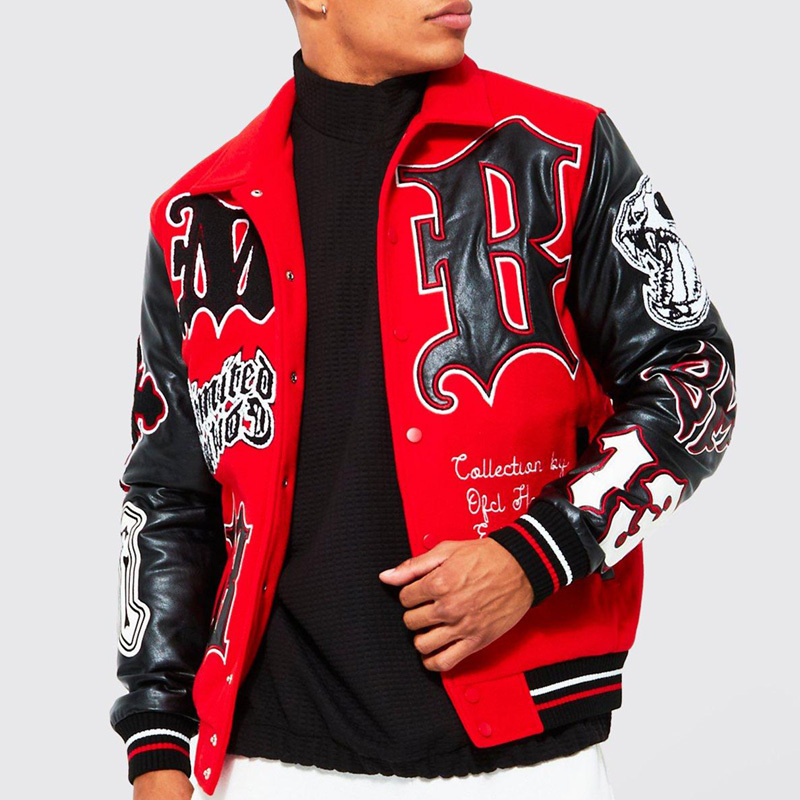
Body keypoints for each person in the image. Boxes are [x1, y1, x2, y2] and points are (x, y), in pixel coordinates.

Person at [110, 1, 737, 798]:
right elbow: (168, 492)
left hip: (528, 761)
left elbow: (694, 378)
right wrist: (156, 743)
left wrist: (536, 554)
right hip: (270, 765)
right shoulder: (201, 213)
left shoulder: (564, 150)